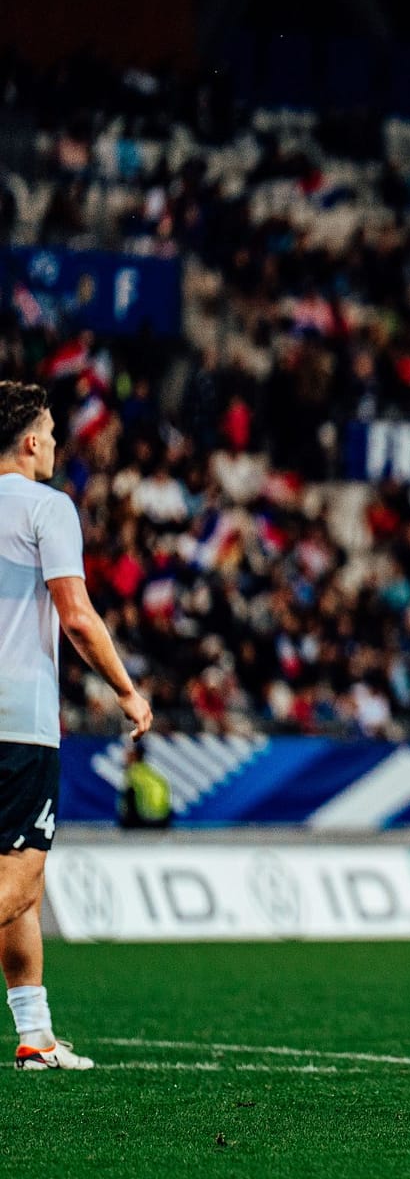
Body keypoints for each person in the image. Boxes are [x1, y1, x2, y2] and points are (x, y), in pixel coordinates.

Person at [0, 381, 153, 1071]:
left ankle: (35, 1036)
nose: (58, 445)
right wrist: (126, 690)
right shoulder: (47, 507)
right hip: (19, 721)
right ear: (31, 441)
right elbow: (78, 617)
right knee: (21, 877)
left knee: (20, 890)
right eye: (54, 433)